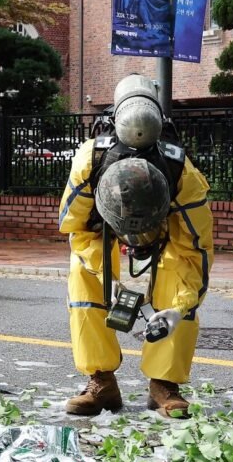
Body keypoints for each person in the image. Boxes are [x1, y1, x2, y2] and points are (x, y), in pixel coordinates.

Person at [57, 74, 213, 419]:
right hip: (101, 232)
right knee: (82, 275)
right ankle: (101, 381)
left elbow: (196, 252)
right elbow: (76, 229)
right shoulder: (90, 163)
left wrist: (179, 309)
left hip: (167, 232)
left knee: (177, 276)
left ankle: (164, 384)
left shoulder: (182, 176)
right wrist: (107, 277)